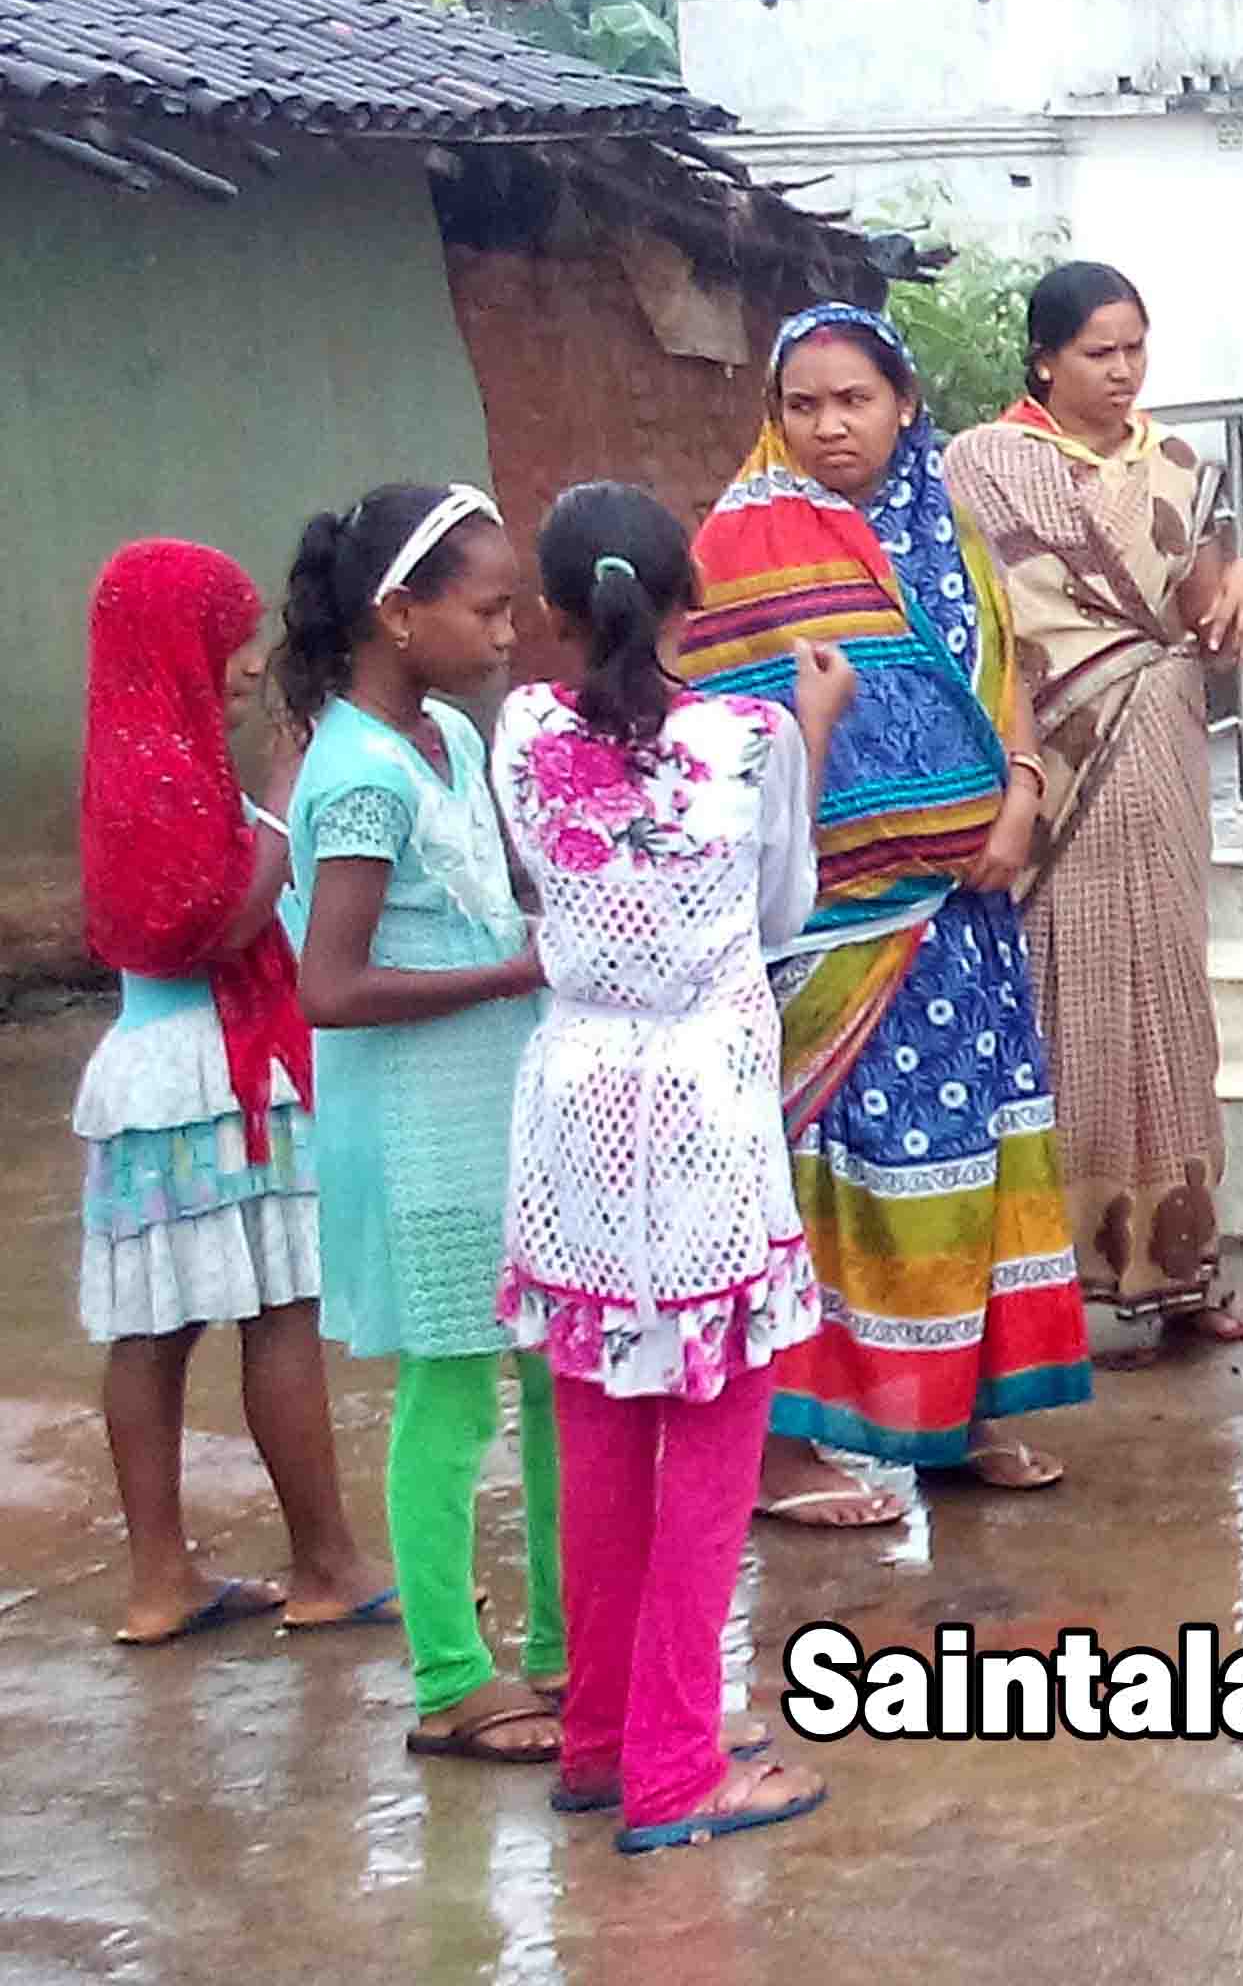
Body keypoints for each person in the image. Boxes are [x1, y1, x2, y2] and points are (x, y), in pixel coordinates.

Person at [686, 304, 1092, 1524]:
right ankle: (786, 1450)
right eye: (802, 404)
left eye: (854, 400)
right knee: (830, 1177)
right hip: (828, 933)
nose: (830, 426)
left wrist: (1019, 796)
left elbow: (1000, 679)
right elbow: (720, 730)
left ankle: (954, 1414)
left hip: (965, 926)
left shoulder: (949, 533)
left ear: (905, 404)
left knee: (967, 1158)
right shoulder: (739, 545)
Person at [494, 483, 840, 1851]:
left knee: (593, 1430)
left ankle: (602, 1738)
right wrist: (814, 735)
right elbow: (784, 908)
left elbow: (539, 889)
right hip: (704, 1108)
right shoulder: (752, 740)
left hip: (574, 1106)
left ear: (553, 613)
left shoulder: (521, 735)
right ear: (691, 599)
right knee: (710, 1441)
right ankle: (678, 1765)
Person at [944, 262, 1243, 1363]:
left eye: (1136, 348)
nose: (1124, 371)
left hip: (1159, 748)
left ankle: (1182, 1273)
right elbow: (973, 625)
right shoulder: (983, 466)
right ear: (1044, 359)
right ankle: (1037, 1287)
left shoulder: (1177, 464)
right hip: (1048, 766)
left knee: (1169, 1001)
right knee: (1057, 1004)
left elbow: (1203, 617)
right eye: (1099, 352)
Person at [279, 484, 562, 1760]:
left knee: (552, 1374)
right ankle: (450, 1675)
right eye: (488, 610)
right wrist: (510, 974)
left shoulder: (445, 732)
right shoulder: (357, 776)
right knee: (450, 1395)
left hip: (498, 1113)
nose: (508, 634)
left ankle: (562, 1644)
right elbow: (329, 987)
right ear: (398, 615)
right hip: (419, 1134)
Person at [74, 541, 393, 1647]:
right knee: (281, 1313)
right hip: (211, 1073)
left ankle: (160, 1578)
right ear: (177, 643)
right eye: (230, 637)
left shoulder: (133, 754)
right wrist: (284, 797)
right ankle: (328, 1562)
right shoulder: (167, 770)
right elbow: (220, 921)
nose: (252, 662)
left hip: (152, 1067)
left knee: (153, 1333)